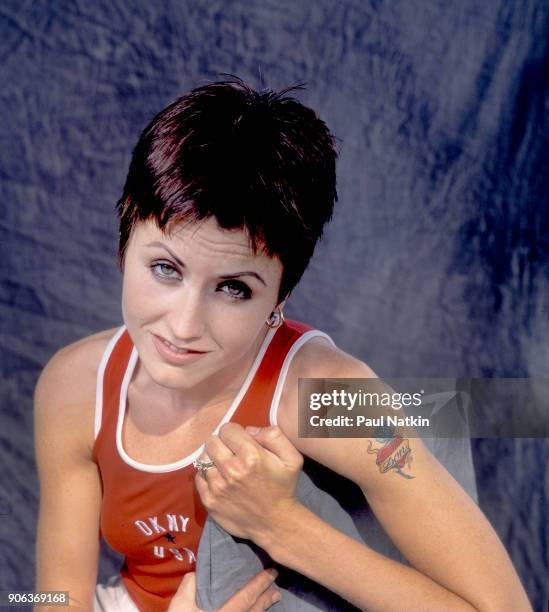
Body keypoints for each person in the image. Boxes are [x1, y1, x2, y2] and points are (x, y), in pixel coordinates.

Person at [33, 77, 532, 612]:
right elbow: (55, 599)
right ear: (122, 244)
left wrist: (282, 525)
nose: (183, 326)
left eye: (233, 289)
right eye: (164, 269)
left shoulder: (328, 396)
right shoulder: (77, 388)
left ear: (280, 295)